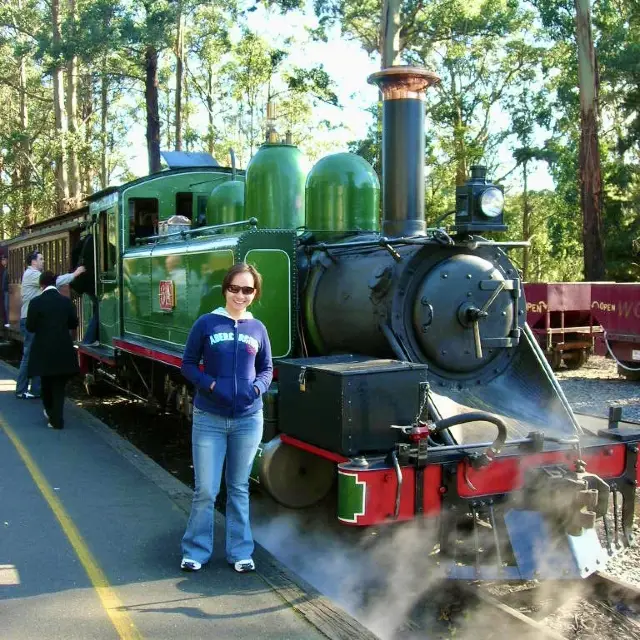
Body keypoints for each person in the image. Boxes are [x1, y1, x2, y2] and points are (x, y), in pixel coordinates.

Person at [180, 263, 273, 573]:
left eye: (247, 290)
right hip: (209, 417)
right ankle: (196, 550)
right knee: (206, 489)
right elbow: (189, 365)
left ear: (254, 294)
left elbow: (267, 368)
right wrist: (211, 385)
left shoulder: (257, 328)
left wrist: (258, 389)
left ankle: (240, 552)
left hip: (248, 419)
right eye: (235, 288)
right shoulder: (207, 324)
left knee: (238, 488)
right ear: (225, 289)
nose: (240, 295)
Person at [16, 251, 85, 399]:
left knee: (35, 354)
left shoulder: (31, 274)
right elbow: (56, 281)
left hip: (33, 318)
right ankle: (21, 389)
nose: (43, 261)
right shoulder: (32, 274)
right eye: (41, 259)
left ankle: (35, 389)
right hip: (30, 318)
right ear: (33, 262)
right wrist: (75, 273)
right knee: (29, 355)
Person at [26, 271, 80, 429]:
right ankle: (57, 419)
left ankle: (51, 414)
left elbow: (30, 327)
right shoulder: (66, 302)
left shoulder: (35, 302)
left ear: (41, 285)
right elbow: (73, 323)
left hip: (43, 351)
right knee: (59, 387)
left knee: (46, 384)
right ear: (55, 283)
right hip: (63, 349)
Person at [1, 255, 9, 328]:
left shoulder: (8, 269)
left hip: (7, 291)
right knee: (6, 307)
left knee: (7, 306)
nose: (2, 261)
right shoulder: (5, 269)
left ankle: (8, 322)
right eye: (2, 259)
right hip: (5, 291)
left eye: (4, 259)